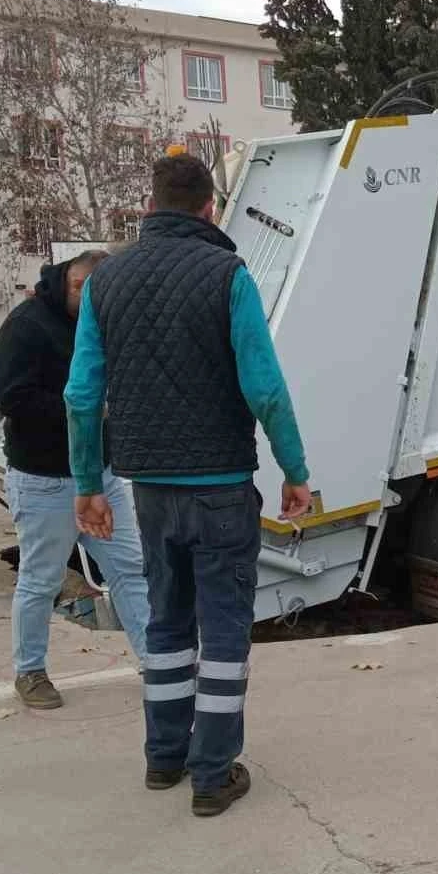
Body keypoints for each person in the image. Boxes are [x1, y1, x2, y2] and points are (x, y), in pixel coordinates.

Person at [65, 152, 311, 818]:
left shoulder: (105, 283)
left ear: (149, 206)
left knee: (168, 621)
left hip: (148, 488)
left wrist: (87, 482)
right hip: (223, 487)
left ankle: (164, 756)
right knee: (225, 630)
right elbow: (265, 388)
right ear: (209, 208)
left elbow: (81, 393)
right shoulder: (227, 274)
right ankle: (213, 773)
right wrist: (296, 471)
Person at [0, 251, 150, 710]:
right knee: (41, 581)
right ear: (64, 279)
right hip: (45, 481)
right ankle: (31, 672)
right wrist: (82, 410)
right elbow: (13, 399)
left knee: (131, 571)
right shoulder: (26, 327)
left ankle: (155, 661)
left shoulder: (106, 325)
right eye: (80, 284)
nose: (88, 294)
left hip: (100, 479)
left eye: (97, 287)